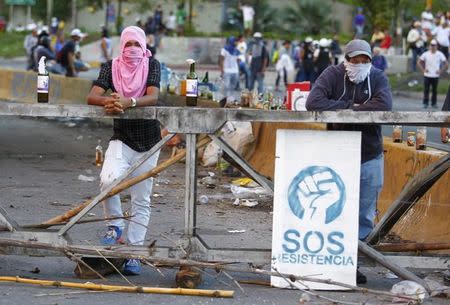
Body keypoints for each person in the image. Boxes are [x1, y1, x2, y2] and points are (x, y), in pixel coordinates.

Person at [306, 39, 393, 284]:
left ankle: (353, 262)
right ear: (347, 60)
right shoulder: (332, 74)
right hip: (337, 152)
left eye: (365, 60)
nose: (360, 64)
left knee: (365, 213)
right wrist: (351, 106)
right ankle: (331, 258)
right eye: (355, 60)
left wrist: (344, 110)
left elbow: (384, 105)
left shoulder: (377, 77)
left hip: (369, 153)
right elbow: (313, 101)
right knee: (335, 208)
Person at [87, 26, 161, 276]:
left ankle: (134, 254)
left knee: (142, 199)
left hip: (150, 142)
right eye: (127, 44)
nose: (132, 49)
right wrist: (108, 100)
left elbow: (153, 96)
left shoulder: (152, 65)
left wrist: (129, 102)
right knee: (108, 179)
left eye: (136, 45)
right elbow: (92, 96)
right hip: (122, 138)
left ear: (143, 46)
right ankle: (115, 225)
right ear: (121, 46)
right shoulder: (111, 66)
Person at [417, 39, 448, 109]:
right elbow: (419, 62)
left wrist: (440, 71)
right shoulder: (426, 54)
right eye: (432, 45)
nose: (433, 47)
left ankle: (434, 103)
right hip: (427, 75)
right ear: (429, 46)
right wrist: (423, 70)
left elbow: (446, 64)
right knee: (426, 90)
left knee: (434, 90)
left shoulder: (440, 54)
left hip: (435, 75)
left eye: (434, 45)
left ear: (437, 46)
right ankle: (425, 103)